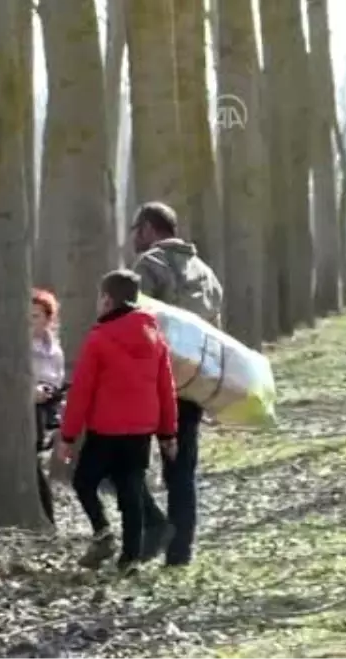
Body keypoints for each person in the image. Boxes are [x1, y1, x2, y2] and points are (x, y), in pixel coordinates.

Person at [57, 270, 178, 573]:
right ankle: (130, 558)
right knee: (130, 489)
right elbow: (166, 388)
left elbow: (82, 391)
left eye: (100, 298)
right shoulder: (155, 337)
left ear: (107, 300)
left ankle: (102, 533)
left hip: (105, 429)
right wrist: (167, 433)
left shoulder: (99, 339)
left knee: (84, 481)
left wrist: (68, 436)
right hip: (141, 430)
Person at [129, 201, 223, 567]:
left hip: (151, 383)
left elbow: (135, 324)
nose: (134, 238)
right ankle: (180, 553)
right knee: (182, 470)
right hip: (193, 384)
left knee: (122, 462)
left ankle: (147, 533)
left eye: (136, 229)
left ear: (149, 228)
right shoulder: (207, 273)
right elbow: (218, 334)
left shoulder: (149, 266)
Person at [30, 288, 65, 525]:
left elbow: (57, 379)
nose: (30, 323)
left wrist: (48, 391)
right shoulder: (19, 346)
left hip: (47, 408)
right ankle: (46, 516)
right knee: (33, 463)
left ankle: (46, 517)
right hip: (27, 407)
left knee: (35, 462)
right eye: (27, 317)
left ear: (48, 319)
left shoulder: (54, 349)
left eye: (36, 317)